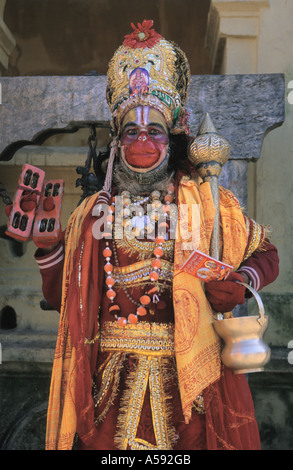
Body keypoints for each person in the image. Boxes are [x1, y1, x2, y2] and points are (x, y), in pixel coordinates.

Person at [32, 20, 279, 450]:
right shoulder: (92, 213)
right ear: (117, 141)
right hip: (109, 387)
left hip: (189, 387)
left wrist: (239, 283)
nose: (142, 140)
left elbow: (266, 252)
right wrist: (50, 244)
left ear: (171, 139)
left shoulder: (205, 203)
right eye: (132, 131)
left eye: (154, 131)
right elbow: (61, 300)